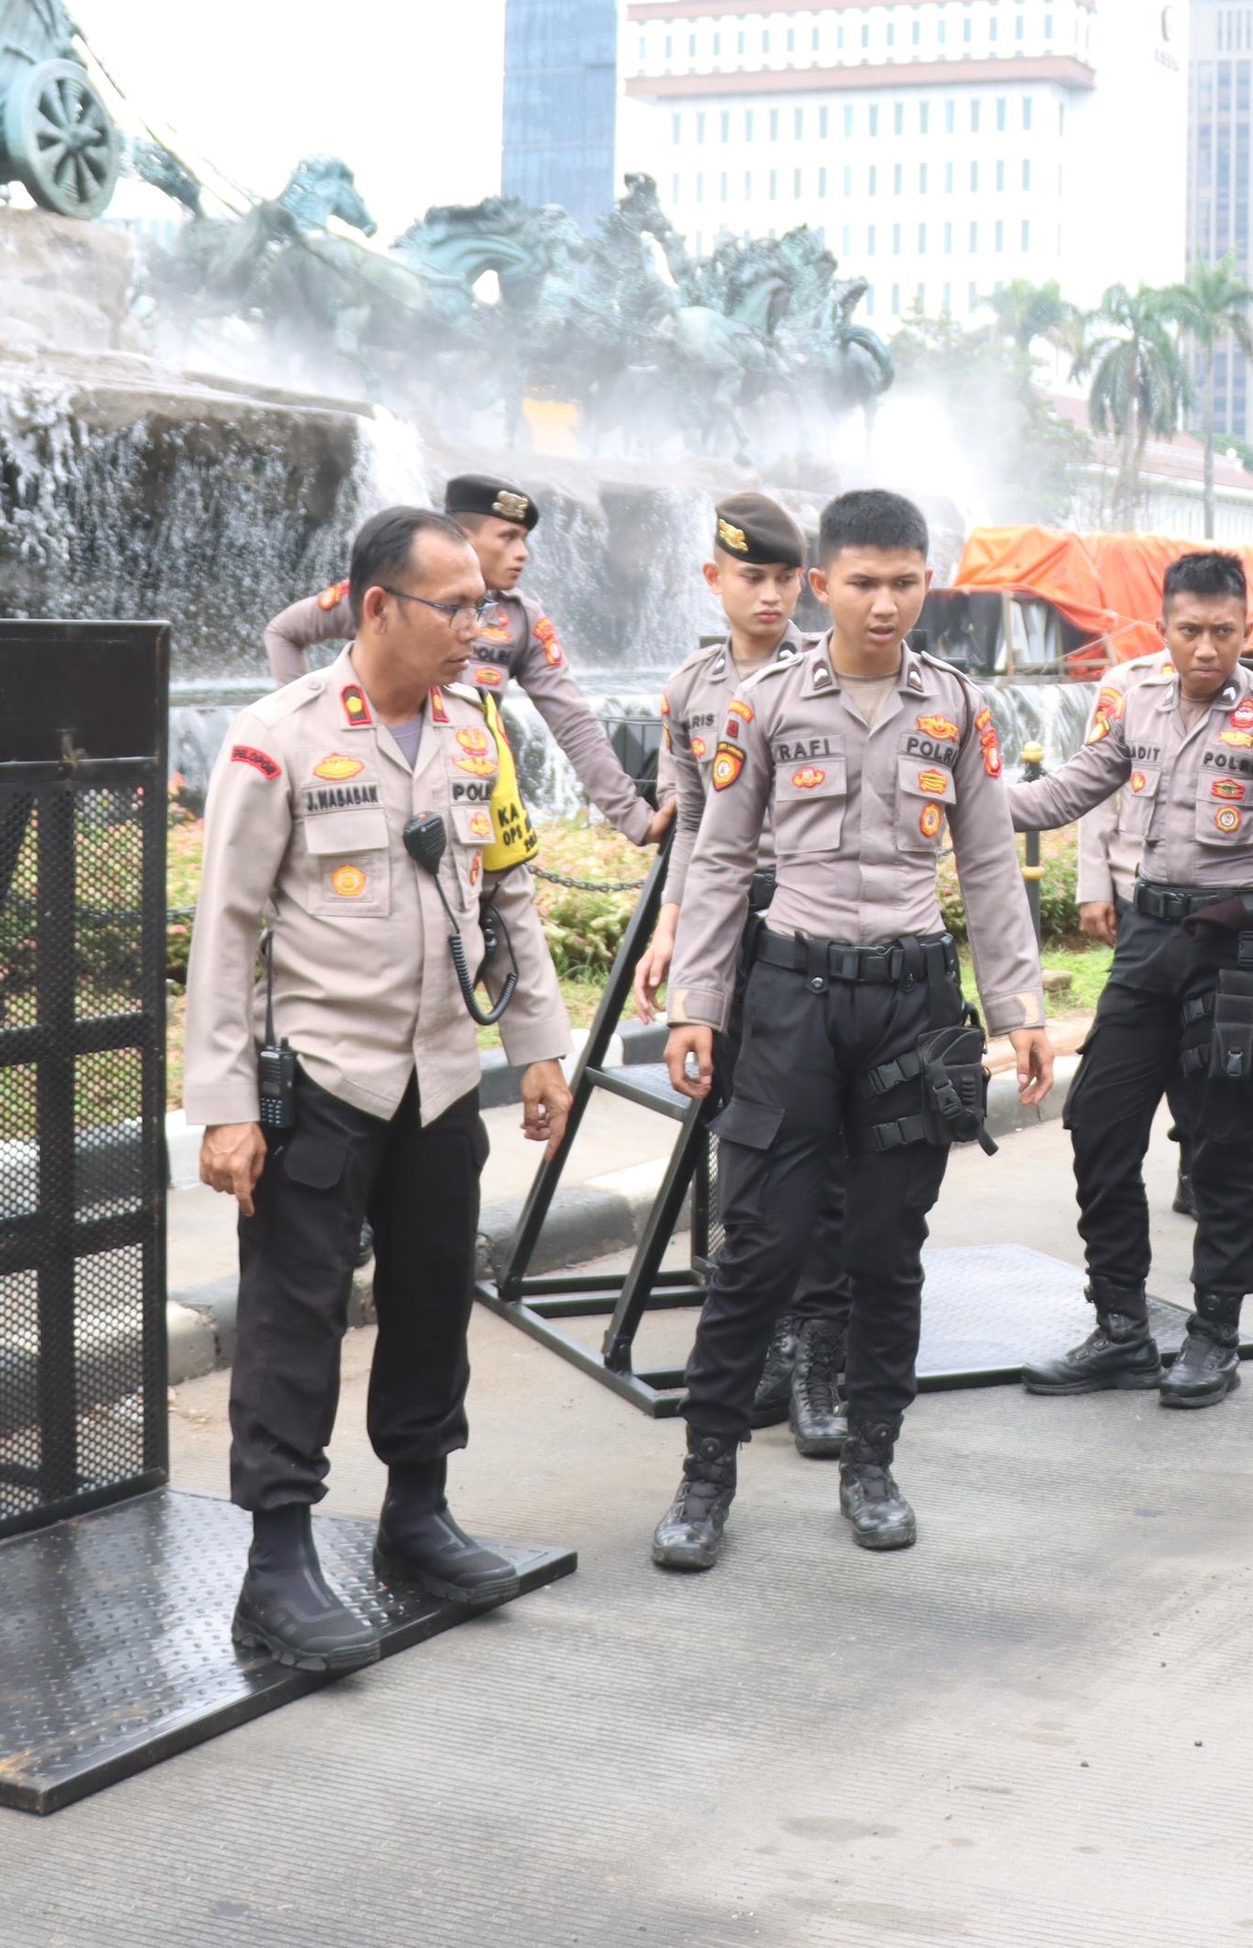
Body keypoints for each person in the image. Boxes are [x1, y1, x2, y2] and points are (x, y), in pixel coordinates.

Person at [183, 505, 576, 1672]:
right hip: (325, 1079)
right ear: (375, 608)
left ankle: (417, 1511)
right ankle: (279, 1559)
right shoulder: (279, 735)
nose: (477, 627)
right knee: (294, 1318)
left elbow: (509, 894)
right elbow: (226, 929)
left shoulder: (476, 731)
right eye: (454, 608)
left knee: (432, 1299)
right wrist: (226, 1106)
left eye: (484, 607)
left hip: (443, 1076)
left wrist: (540, 1043)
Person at [650, 491, 1053, 1568]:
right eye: (864, 582)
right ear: (821, 584)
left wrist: (1019, 1009)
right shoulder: (766, 702)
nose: (886, 603)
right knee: (761, 1245)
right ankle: (705, 1476)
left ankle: (871, 1460)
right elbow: (721, 857)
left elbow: (988, 864)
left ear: (929, 582)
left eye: (906, 580)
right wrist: (697, 1002)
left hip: (911, 1005)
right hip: (791, 996)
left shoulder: (958, 706)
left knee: (887, 1249)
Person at [1003, 551, 1253, 1408]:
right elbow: (1069, 793)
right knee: (1097, 1119)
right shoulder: (1134, 700)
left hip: (1234, 944)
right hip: (1149, 938)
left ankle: (1214, 1333)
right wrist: (963, 790)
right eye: (1189, 631)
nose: (1205, 648)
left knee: (1222, 1143)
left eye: (1223, 632)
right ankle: (1119, 1325)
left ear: (1246, 631)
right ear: (1163, 629)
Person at [629, 493, 852, 1455]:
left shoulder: (831, 675)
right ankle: (758, 1337)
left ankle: (817, 1354)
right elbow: (690, 828)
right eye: (748, 576)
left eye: (783, 577)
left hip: (813, 936)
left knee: (824, 1153)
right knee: (745, 1148)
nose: (768, 594)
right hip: (729, 932)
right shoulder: (687, 692)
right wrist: (670, 932)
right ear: (713, 579)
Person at [262, 473, 670, 850]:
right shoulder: (391, 597)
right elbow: (284, 632)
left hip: (474, 797)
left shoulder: (522, 619)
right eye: (508, 537)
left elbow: (574, 722)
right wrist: (310, 729)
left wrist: (634, 817)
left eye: (524, 540)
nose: (522, 553)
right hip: (375, 785)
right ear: (460, 536)